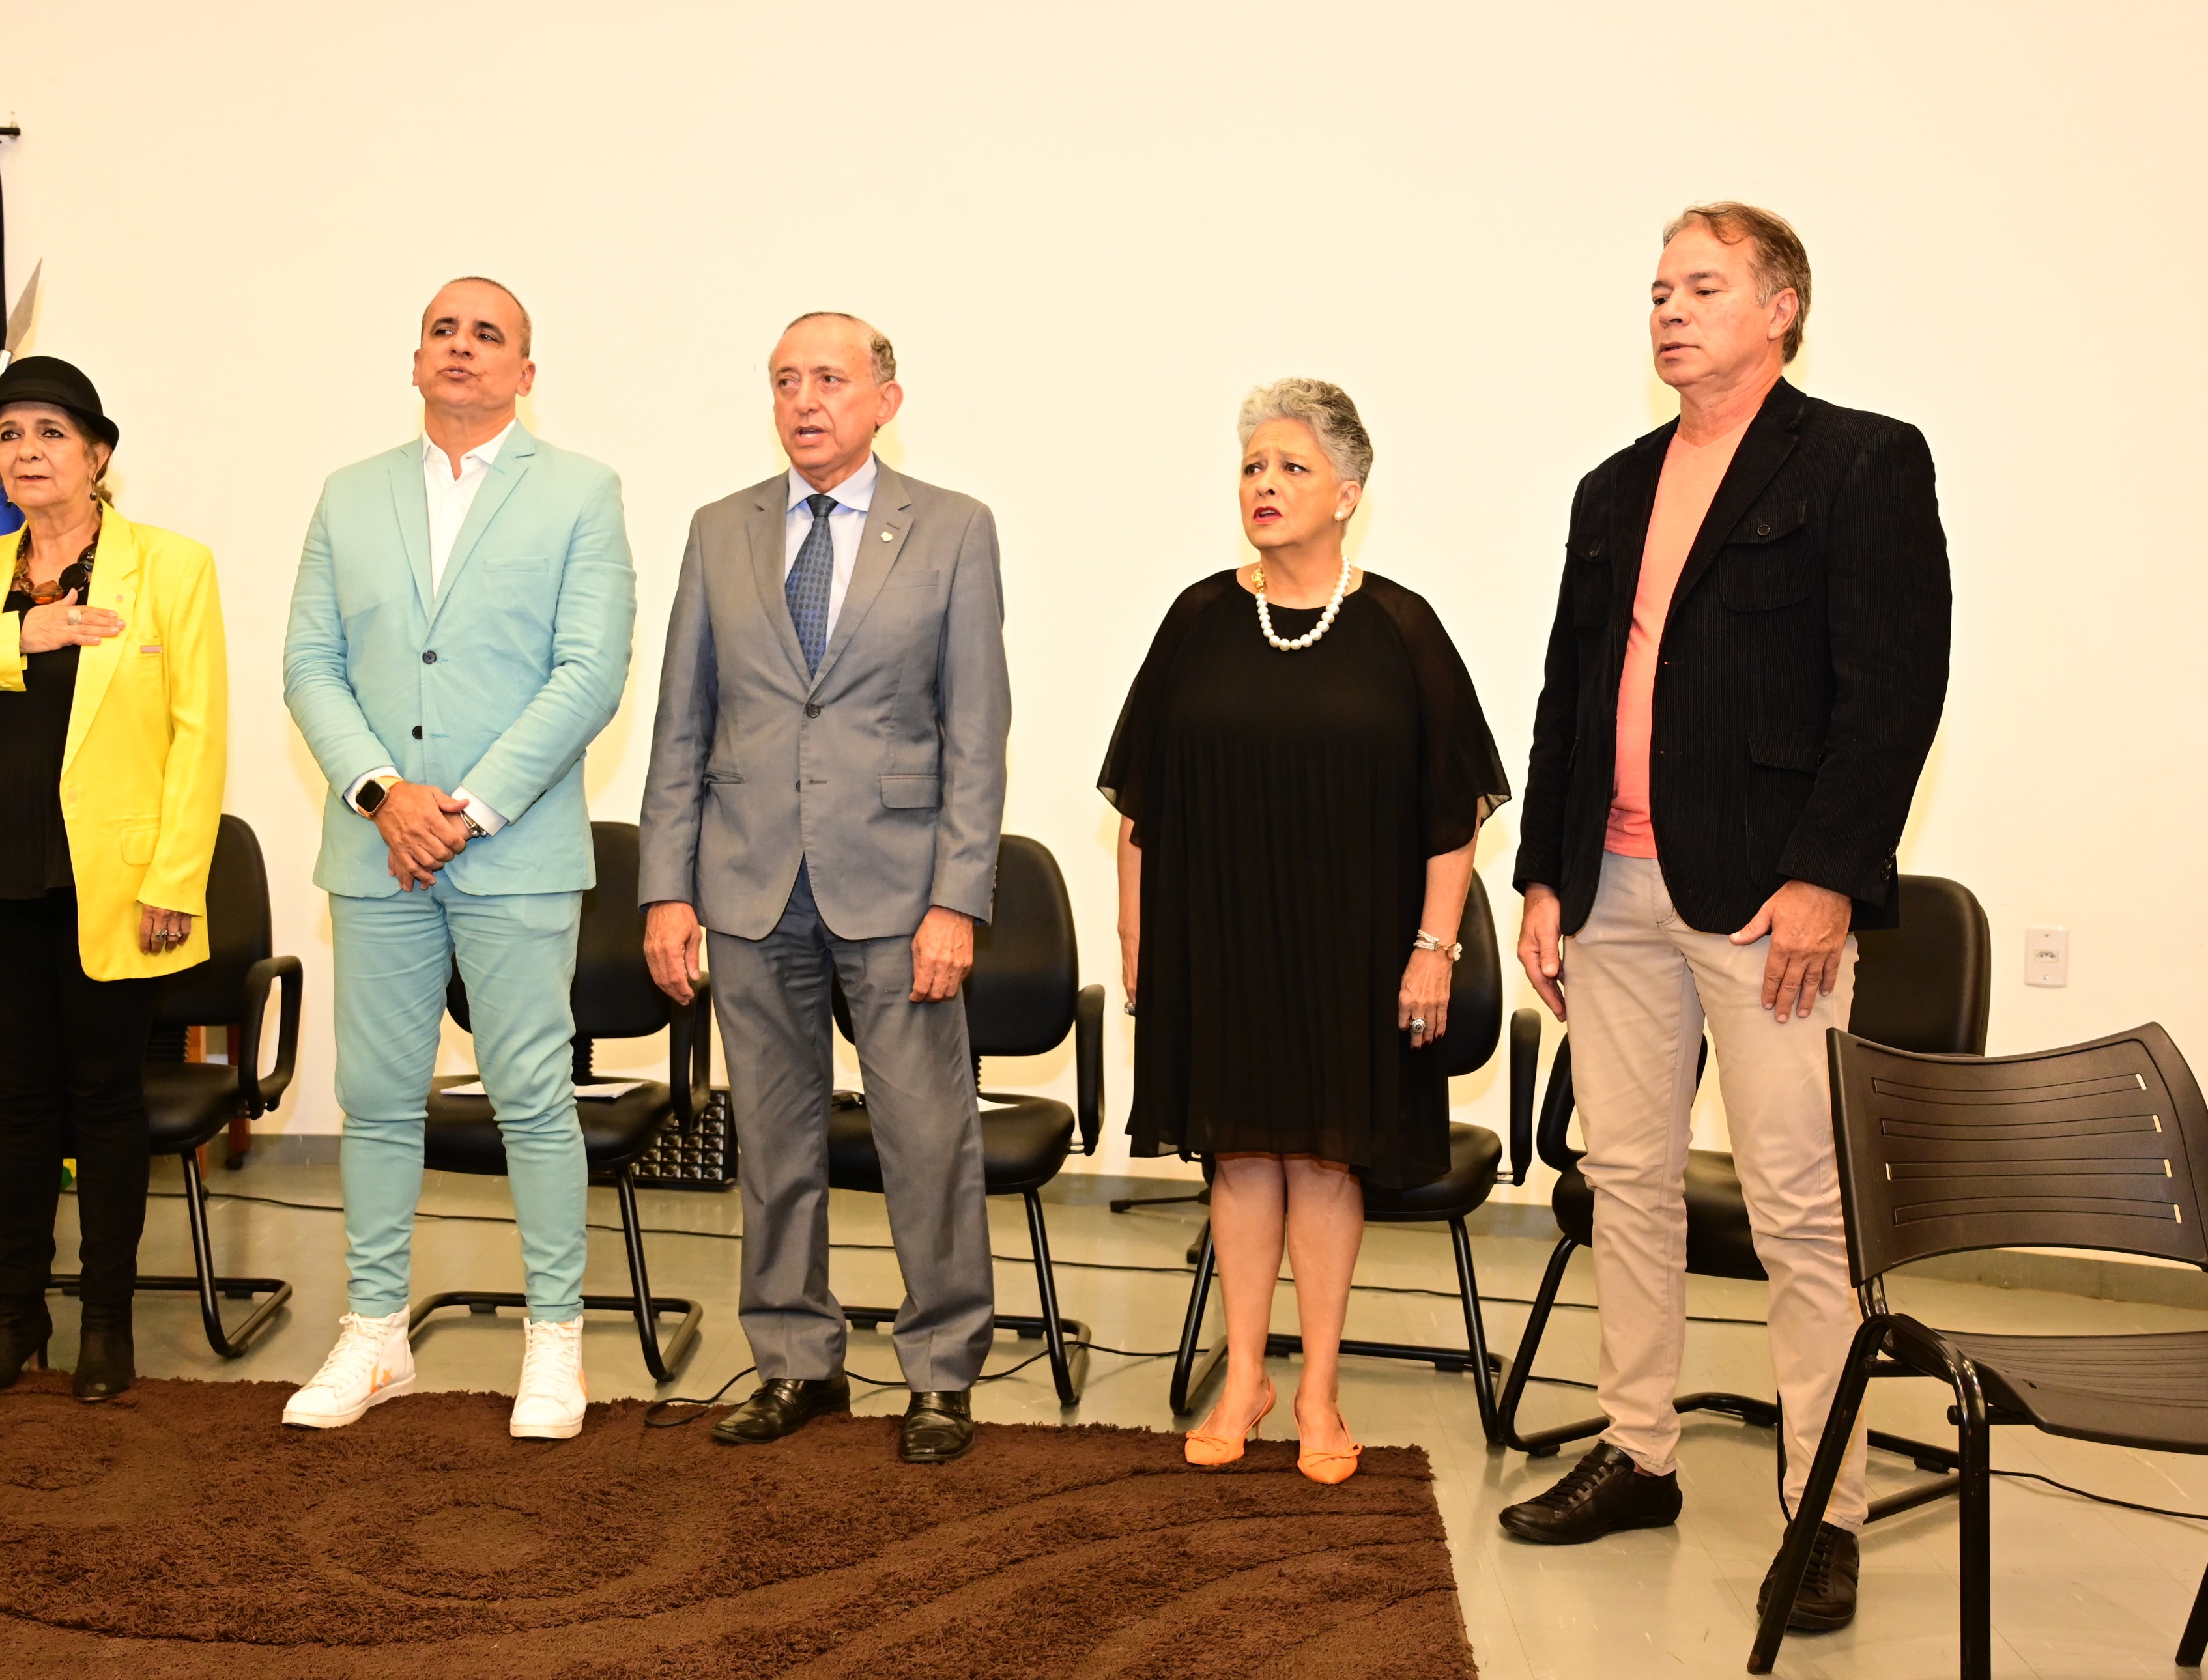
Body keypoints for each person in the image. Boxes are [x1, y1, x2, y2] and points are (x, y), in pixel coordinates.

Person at [1499, 204, 1951, 1633]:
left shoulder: (1861, 460)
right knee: (1625, 1178)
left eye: (1702, 287)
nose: (1669, 311)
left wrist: (1830, 874)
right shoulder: (1613, 487)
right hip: (1613, 886)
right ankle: (1638, 1451)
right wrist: (1544, 873)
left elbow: (1894, 688)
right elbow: (1570, 693)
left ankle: (1825, 1513)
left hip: (1768, 899)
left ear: (1781, 308)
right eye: (1657, 291)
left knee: (1799, 1209)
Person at [1102, 378, 1509, 1484]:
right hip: (1219, 936)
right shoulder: (1198, 618)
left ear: (1348, 493)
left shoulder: (1401, 627)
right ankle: (1245, 1376)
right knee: (1239, 1154)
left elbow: (1453, 812)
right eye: (1252, 467)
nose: (1265, 485)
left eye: (1291, 467)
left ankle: (1319, 1391)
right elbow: (1143, 803)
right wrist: (1139, 938)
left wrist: (1435, 949)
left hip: (1352, 946)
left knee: (1328, 1161)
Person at [640, 312, 1010, 1464]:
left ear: (885, 400)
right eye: (787, 381)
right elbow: (681, 722)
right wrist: (665, 888)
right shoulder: (721, 529)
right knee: (774, 1137)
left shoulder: (952, 527)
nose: (806, 401)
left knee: (926, 1138)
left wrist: (958, 898)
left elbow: (978, 731)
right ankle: (797, 1360)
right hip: (749, 880)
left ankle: (941, 1373)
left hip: (899, 889)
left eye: (832, 380)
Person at [280, 277, 635, 1439]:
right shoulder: (350, 493)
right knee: (378, 1097)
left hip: (514, 849)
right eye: (444, 330)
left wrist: (467, 810)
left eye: (489, 335)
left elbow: (589, 673)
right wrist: (384, 794)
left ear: (525, 374)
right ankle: (375, 1334)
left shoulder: (581, 491)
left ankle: (555, 1343)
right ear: (416, 359)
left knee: (532, 1096)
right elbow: (311, 666)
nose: (462, 347)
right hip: (375, 844)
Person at [0, 356, 228, 1404]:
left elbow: (199, 737)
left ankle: (105, 1322)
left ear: (98, 455)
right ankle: (17, 1313)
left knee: (106, 1101)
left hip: (113, 883)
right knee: (22, 1104)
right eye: (10, 435)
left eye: (52, 433)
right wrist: (15, 635)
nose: (28, 451)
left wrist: (175, 881)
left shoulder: (172, 566)